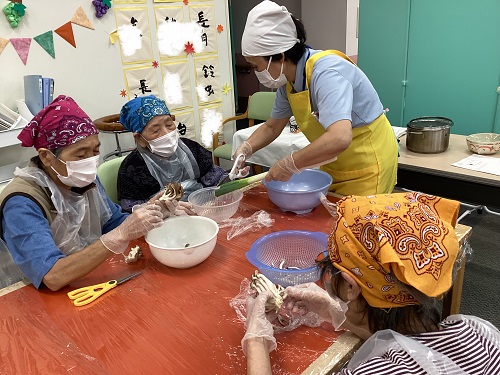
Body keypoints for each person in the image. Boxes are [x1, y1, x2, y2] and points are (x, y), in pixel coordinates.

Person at [242, 192, 500, 374]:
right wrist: (332, 311)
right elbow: (404, 342)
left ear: (350, 287)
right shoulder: (479, 333)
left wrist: (256, 341)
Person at [0, 95, 180, 291]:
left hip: (85, 277)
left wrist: (151, 212)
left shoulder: (84, 179)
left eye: (95, 151)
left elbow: (112, 222)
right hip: (30, 294)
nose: (90, 161)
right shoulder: (21, 202)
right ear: (46, 156)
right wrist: (118, 236)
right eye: (80, 154)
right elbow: (51, 276)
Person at [232, 1, 398, 196]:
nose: (256, 72)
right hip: (335, 164)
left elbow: (339, 137)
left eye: (256, 66)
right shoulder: (289, 85)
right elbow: (271, 127)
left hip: (368, 164)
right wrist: (246, 148)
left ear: (280, 56)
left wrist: (290, 163)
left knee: (359, 223)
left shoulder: (327, 72)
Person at [117, 95, 227, 213]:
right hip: (162, 223)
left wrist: (232, 177)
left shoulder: (191, 149)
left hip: (203, 210)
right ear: (140, 138)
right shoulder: (131, 169)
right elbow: (133, 214)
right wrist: (163, 210)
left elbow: (216, 179)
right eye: (155, 130)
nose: (166, 133)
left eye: (169, 125)